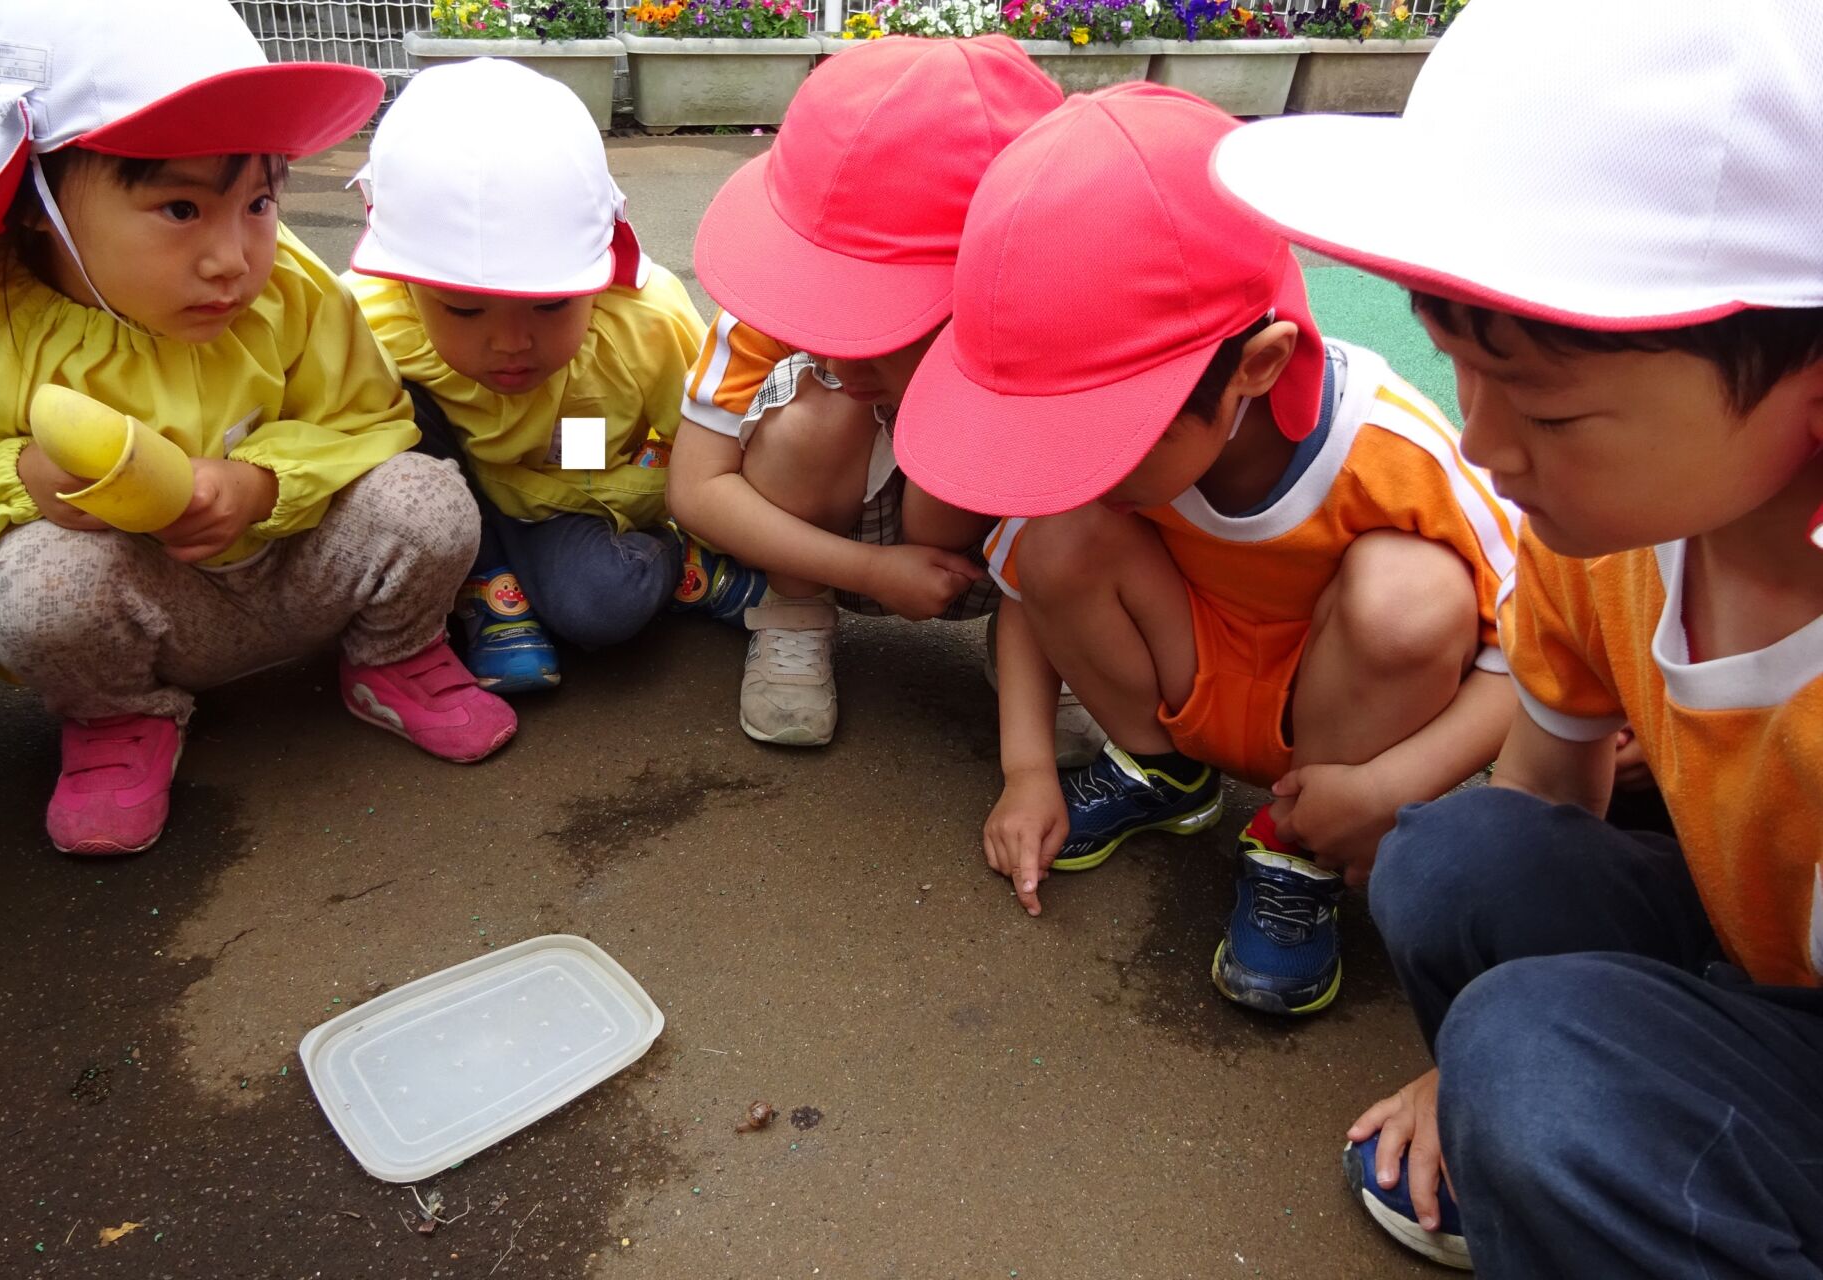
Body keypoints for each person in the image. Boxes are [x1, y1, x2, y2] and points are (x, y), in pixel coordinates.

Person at [1211, 0, 1823, 1270]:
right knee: (1450, 854)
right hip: (1760, 956)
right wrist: (1476, 1059)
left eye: (1548, 407)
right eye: (1459, 370)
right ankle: (1600, 1132)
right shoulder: (1604, 538)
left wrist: (1538, 1066)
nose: (1481, 445)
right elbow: (1545, 790)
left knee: (1542, 1075)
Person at [894, 85, 1519, 1021]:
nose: (1081, 460)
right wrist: (1027, 768)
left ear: (1259, 368)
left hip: (1342, 727)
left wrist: (1385, 790)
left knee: (1412, 594)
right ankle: (1162, 772)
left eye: (1109, 432)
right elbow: (1031, 584)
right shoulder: (1141, 449)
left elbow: (1534, 661)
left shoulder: (1397, 449)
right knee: (1058, 531)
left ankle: (1293, 850)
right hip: (1188, 676)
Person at [0, 0, 515, 855]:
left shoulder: (292, 291)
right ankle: (118, 719)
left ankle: (394, 656)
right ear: (36, 197)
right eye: (181, 211)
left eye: (258, 203)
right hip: (147, 613)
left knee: (428, 500)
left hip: (301, 576)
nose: (233, 258)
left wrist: (264, 480)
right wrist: (18, 479)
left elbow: (368, 419)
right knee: (40, 591)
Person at [668, 36, 1076, 749]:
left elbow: (1085, 518)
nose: (837, 347)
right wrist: (869, 570)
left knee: (1018, 445)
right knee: (815, 406)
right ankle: (793, 614)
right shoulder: (769, 304)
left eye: (882, 321)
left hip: (983, 560)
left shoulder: (1054, 322)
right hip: (823, 542)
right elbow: (696, 488)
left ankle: (1045, 651)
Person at [346, 59, 748, 694]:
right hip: (450, 502)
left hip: (574, 490)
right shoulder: (367, 322)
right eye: (464, 308)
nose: (511, 343)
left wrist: (702, 524)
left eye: (551, 302)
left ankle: (681, 561)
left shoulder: (644, 323)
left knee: (601, 606)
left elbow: (707, 453)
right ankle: (490, 581)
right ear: (402, 281)